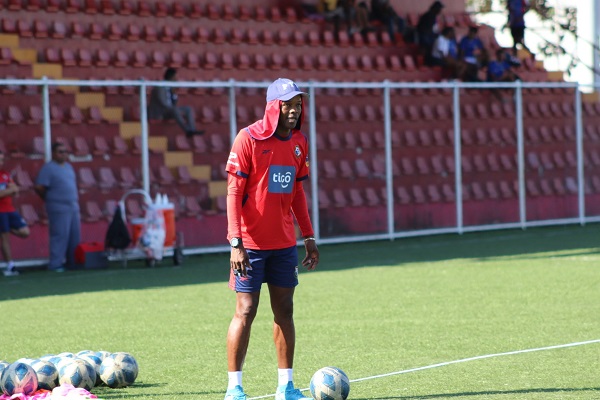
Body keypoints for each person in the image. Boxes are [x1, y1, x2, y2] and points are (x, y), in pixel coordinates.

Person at [224, 78, 320, 400]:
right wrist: (235, 242)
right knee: (245, 311)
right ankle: (234, 389)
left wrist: (308, 236)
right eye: (287, 105)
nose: (293, 111)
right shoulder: (247, 138)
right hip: (249, 246)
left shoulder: (299, 142)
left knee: (285, 311)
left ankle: (286, 387)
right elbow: (233, 193)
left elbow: (297, 194)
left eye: (297, 105)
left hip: (283, 246)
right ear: (272, 106)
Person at [34, 142, 81, 272]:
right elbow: (39, 187)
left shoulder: (68, 167)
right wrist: (50, 198)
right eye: (60, 152)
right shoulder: (48, 168)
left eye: (65, 151)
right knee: (60, 235)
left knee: (74, 236)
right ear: (54, 153)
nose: (63, 154)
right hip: (58, 206)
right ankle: (55, 264)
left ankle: (73, 262)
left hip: (73, 205)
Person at [148, 67, 204, 138]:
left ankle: (192, 129)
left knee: (188, 109)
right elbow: (163, 102)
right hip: (159, 112)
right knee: (175, 110)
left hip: (169, 110)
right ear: (171, 77)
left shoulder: (171, 87)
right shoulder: (160, 87)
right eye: (175, 77)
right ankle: (187, 130)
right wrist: (173, 108)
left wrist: (174, 94)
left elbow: (174, 103)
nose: (177, 79)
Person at [0, 152, 30, 277]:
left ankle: (7, 228)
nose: (1, 162)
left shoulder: (5, 174)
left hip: (10, 209)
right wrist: (9, 191)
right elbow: (11, 190)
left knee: (25, 232)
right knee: (4, 238)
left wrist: (8, 191)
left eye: (1, 159)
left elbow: (15, 190)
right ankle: (10, 266)